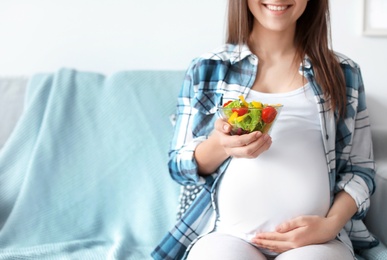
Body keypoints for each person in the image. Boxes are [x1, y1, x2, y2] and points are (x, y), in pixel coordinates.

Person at [152, 0, 378, 259]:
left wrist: (330, 225)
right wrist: (219, 144)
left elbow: (360, 170)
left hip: (316, 242)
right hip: (226, 236)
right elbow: (178, 166)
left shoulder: (343, 72)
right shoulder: (207, 68)